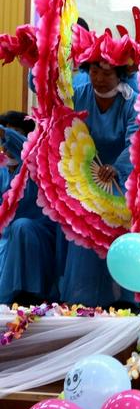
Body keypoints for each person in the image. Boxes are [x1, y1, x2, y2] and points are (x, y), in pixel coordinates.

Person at [58, 58, 139, 307]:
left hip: (121, 179)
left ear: (120, 75)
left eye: (107, 74)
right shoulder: (77, 95)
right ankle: (80, 299)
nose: (99, 79)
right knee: (81, 231)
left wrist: (117, 168)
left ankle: (123, 300)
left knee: (118, 233)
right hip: (81, 177)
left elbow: (135, 141)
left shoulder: (132, 102)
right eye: (94, 71)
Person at [0, 112, 58, 305]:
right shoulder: (2, 171)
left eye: (15, 134)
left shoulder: (37, 164)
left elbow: (25, 148)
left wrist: (4, 132)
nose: (7, 146)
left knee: (22, 226)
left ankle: (27, 297)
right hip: (5, 238)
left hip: (37, 234)